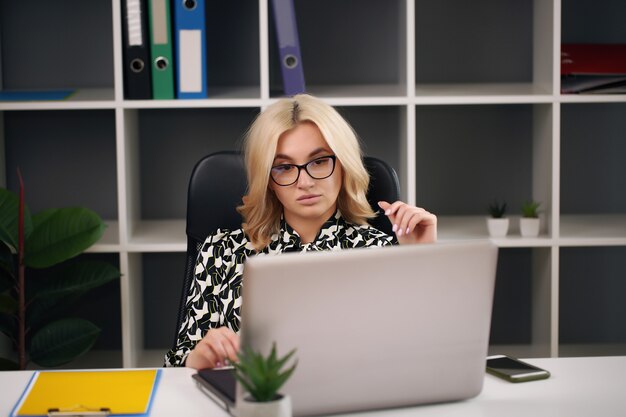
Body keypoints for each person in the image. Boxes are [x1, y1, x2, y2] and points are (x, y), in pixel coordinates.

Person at [165, 94, 437, 368]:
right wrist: (195, 359)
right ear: (267, 179)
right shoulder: (220, 251)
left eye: (319, 161)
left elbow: (420, 358)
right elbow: (175, 367)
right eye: (283, 167)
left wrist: (421, 260)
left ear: (343, 163)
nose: (304, 182)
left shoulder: (382, 252)